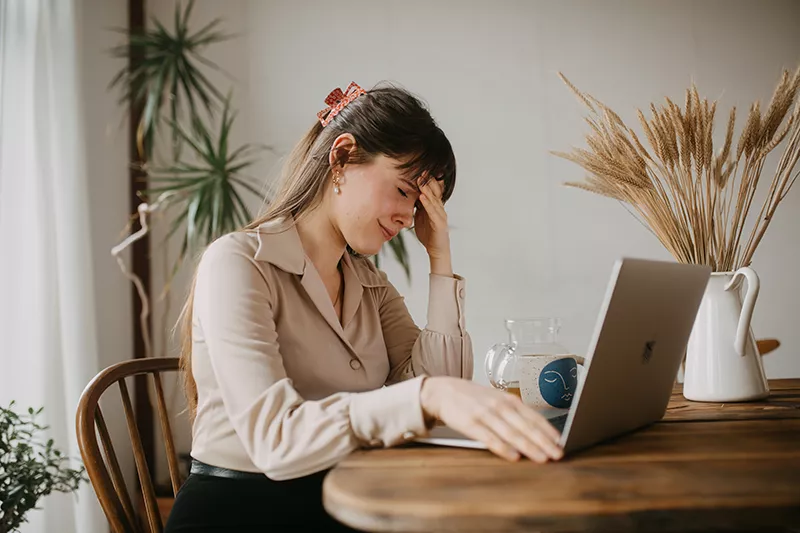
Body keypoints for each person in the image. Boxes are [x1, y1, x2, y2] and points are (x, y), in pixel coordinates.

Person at [164, 82, 563, 533]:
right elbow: (275, 440)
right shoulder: (238, 263)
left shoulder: (370, 284)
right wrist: (427, 397)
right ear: (342, 157)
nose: (408, 217)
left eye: (419, 203)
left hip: (351, 500)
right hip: (242, 511)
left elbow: (442, 386)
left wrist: (440, 257)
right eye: (403, 191)